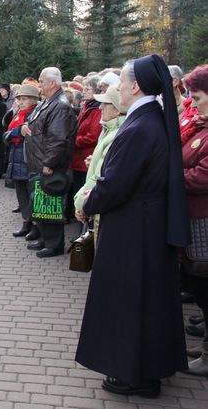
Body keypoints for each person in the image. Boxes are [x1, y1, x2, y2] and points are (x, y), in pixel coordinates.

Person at [75, 55, 190, 398]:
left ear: (136, 85)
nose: (118, 89)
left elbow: (115, 184)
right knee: (146, 301)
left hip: (133, 230)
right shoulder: (152, 119)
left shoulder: (140, 126)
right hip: (144, 225)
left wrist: (88, 204)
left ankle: (133, 374)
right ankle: (146, 370)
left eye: (121, 83)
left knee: (129, 301)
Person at [21, 67, 77, 257]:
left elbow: (58, 139)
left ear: (52, 83)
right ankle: (45, 238)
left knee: (50, 204)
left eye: (41, 81)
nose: (39, 84)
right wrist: (24, 128)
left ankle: (54, 244)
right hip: (38, 161)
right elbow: (34, 123)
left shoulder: (60, 105)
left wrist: (49, 163)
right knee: (41, 203)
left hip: (49, 165)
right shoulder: (48, 102)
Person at [178, 65, 208, 375]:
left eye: (197, 97)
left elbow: (202, 176)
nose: (193, 103)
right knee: (201, 289)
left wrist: (173, 176)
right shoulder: (202, 125)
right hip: (197, 217)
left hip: (204, 220)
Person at [73, 85, 127, 242]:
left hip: (98, 205)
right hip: (95, 202)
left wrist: (81, 203)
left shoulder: (116, 134)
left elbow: (101, 176)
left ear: (117, 110)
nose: (101, 107)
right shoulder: (109, 130)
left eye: (106, 103)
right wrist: (94, 160)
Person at [4, 84, 39, 237]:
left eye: (24, 99)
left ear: (33, 100)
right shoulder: (18, 113)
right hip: (16, 154)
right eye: (19, 99)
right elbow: (7, 135)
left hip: (27, 156)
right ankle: (26, 222)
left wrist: (13, 133)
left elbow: (30, 134)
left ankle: (36, 226)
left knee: (31, 193)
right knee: (21, 193)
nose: (21, 101)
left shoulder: (34, 113)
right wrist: (15, 132)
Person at [68, 76, 103, 230]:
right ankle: (80, 230)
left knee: (84, 197)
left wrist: (72, 142)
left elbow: (93, 136)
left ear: (96, 90)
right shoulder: (87, 106)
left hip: (85, 159)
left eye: (87, 89)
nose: (84, 92)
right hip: (78, 159)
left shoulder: (96, 109)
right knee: (78, 195)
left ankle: (83, 233)